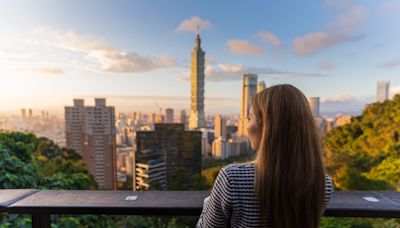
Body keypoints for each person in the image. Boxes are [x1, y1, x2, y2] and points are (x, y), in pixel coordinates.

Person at [197, 84, 333, 228]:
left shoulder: (233, 178)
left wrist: (208, 204)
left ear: (266, 128)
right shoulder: (323, 184)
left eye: (250, 119)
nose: (247, 127)